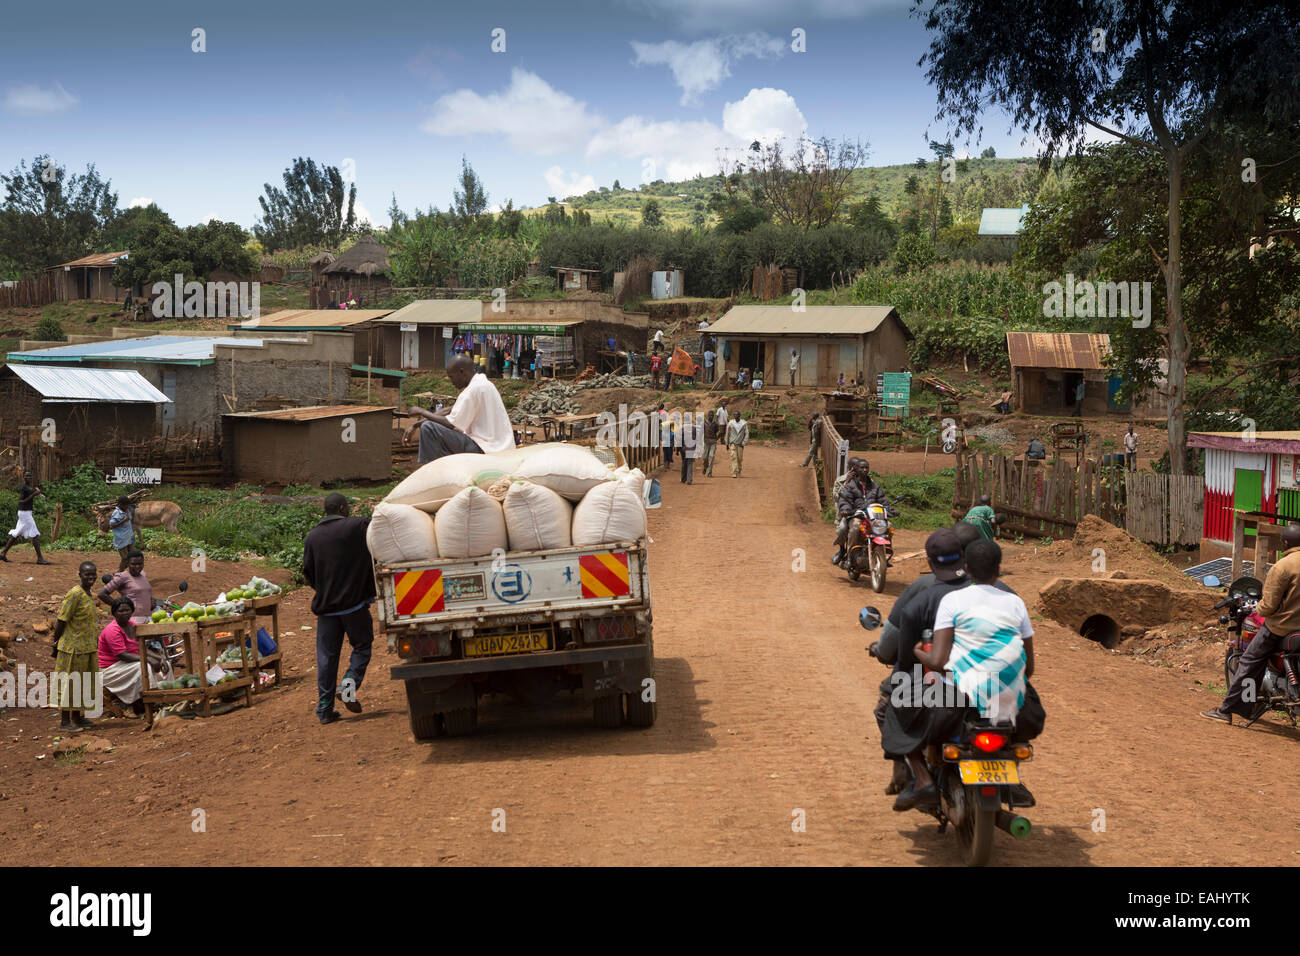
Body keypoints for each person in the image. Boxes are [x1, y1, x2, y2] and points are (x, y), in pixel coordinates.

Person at [880, 529, 972, 811]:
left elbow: (902, 658)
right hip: (992, 684)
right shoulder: (995, 590)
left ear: (930, 562)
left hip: (943, 688)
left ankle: (921, 779)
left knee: (889, 703)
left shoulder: (921, 596)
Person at [1202, 523, 1300, 724]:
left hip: (1282, 627)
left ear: (1284, 543)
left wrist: (1258, 608)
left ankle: (1226, 711)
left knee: (1249, 661)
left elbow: (1269, 605)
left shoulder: (1283, 566)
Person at [302, 494, 375, 725]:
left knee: (326, 658)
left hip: (326, 608)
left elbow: (308, 573)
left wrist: (325, 590)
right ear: (343, 508)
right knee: (362, 647)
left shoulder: (312, 537)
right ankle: (348, 685)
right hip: (353, 606)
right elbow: (378, 526)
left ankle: (324, 709)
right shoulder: (356, 526)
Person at [402, 355, 514, 464]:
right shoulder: (484, 383)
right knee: (432, 425)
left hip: (484, 449)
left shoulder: (471, 391)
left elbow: (451, 423)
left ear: (462, 372)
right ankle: (443, 466)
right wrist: (416, 424)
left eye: (451, 377)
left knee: (429, 428)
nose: (451, 382)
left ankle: (432, 470)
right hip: (499, 447)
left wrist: (422, 411)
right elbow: (449, 410)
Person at [98, 597, 169, 714]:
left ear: (132, 611)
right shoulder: (112, 630)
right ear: (114, 613)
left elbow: (141, 648)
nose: (125, 613)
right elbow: (122, 655)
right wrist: (149, 660)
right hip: (111, 669)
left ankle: (166, 696)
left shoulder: (132, 625)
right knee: (143, 666)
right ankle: (150, 700)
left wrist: (160, 659)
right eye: (121, 611)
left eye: (127, 610)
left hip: (127, 664)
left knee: (166, 664)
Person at [53, 561, 102, 733]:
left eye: (93, 574)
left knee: (82, 683)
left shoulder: (88, 594)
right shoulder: (74, 593)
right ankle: (65, 721)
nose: (91, 577)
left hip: (87, 647)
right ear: (79, 574)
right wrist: (55, 642)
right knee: (70, 683)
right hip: (72, 648)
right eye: (87, 574)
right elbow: (62, 619)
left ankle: (77, 717)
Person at [832, 458, 889, 566]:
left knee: (888, 525)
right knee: (851, 528)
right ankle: (848, 554)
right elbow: (842, 499)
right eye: (861, 467)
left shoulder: (874, 485)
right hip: (854, 514)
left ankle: (883, 553)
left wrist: (890, 509)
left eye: (866, 467)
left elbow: (882, 499)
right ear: (854, 469)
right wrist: (845, 509)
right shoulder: (847, 484)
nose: (864, 470)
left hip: (871, 516)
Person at [0, 472, 51, 564]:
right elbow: (21, 501)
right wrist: (33, 495)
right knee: (35, 535)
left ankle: (3, 553)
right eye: (27, 476)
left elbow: (33, 493)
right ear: (24, 477)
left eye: (30, 476)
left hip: (25, 513)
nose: (29, 477)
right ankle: (40, 558)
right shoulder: (23, 487)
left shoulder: (29, 488)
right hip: (25, 514)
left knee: (17, 533)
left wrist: (38, 494)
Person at [98, 550, 154, 624]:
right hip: (132, 619)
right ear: (127, 563)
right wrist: (118, 606)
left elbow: (145, 592)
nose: (137, 567)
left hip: (147, 618)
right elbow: (102, 594)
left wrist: (151, 600)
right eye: (133, 564)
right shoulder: (123, 576)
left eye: (140, 564)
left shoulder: (143, 575)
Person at [107, 496, 136, 571]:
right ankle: (119, 573)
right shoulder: (117, 513)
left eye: (128, 505)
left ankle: (127, 572)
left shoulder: (127, 510)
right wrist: (123, 521)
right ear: (120, 505)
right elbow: (111, 526)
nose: (127, 506)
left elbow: (135, 507)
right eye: (125, 505)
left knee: (132, 556)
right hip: (121, 539)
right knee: (125, 558)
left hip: (129, 537)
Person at [725, 411, 749, 478]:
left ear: (739, 415)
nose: (735, 416)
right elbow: (727, 433)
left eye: (737, 415)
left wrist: (743, 443)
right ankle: (734, 472)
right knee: (734, 457)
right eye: (734, 414)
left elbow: (747, 434)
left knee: (739, 459)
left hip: (740, 444)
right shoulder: (730, 423)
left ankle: (739, 471)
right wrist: (727, 443)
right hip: (733, 443)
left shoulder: (743, 424)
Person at [702, 407, 721, 477]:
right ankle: (705, 467)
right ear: (708, 416)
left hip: (713, 442)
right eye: (710, 415)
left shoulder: (715, 423)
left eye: (712, 415)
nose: (711, 417)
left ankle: (710, 472)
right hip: (706, 441)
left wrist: (716, 438)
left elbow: (717, 431)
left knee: (711, 456)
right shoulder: (704, 423)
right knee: (704, 457)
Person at [679, 417, 699, 484]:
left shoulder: (682, 428)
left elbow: (679, 439)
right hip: (691, 448)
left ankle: (683, 479)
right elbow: (696, 439)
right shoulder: (694, 428)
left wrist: (678, 449)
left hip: (684, 449)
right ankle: (689, 479)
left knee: (684, 463)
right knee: (690, 463)